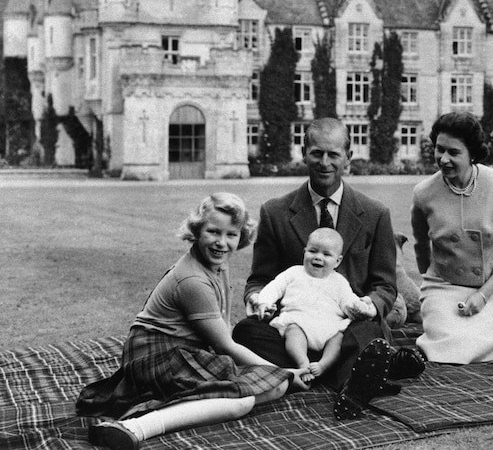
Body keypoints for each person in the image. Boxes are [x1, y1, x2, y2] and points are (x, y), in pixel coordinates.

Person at [77, 193, 308, 450]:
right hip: (155, 355)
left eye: (231, 234)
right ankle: (135, 427)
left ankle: (178, 405)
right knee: (244, 399)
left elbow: (225, 331)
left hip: (184, 352)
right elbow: (225, 347)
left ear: (241, 236)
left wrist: (276, 376)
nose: (222, 243)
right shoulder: (192, 280)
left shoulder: (218, 264)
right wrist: (285, 371)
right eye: (213, 232)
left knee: (273, 387)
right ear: (196, 231)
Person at [232, 118, 425, 420]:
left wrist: (369, 306)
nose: (324, 163)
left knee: (370, 331)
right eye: (317, 153)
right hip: (294, 332)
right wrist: (258, 301)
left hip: (347, 330)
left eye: (333, 154)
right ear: (303, 152)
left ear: (348, 158)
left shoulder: (375, 214)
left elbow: (386, 286)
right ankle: (357, 373)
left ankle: (336, 378)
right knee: (245, 332)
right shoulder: (276, 212)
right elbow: (260, 279)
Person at [411, 112, 493, 364]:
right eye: (439, 149)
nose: (443, 159)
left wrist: (484, 294)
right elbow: (421, 247)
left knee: (480, 341)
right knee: (446, 339)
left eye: (453, 152)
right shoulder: (423, 193)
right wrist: (435, 286)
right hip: (442, 285)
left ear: (472, 153)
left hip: (490, 287)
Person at [253, 228, 372, 383]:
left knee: (338, 338)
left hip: (329, 327)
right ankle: (303, 363)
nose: (318, 257)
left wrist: (358, 306)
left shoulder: (339, 281)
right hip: (299, 321)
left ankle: (324, 365)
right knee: (293, 331)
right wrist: (264, 301)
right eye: (313, 251)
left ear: (338, 261)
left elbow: (348, 301)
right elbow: (275, 287)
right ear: (304, 252)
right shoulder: (294, 273)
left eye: (326, 254)